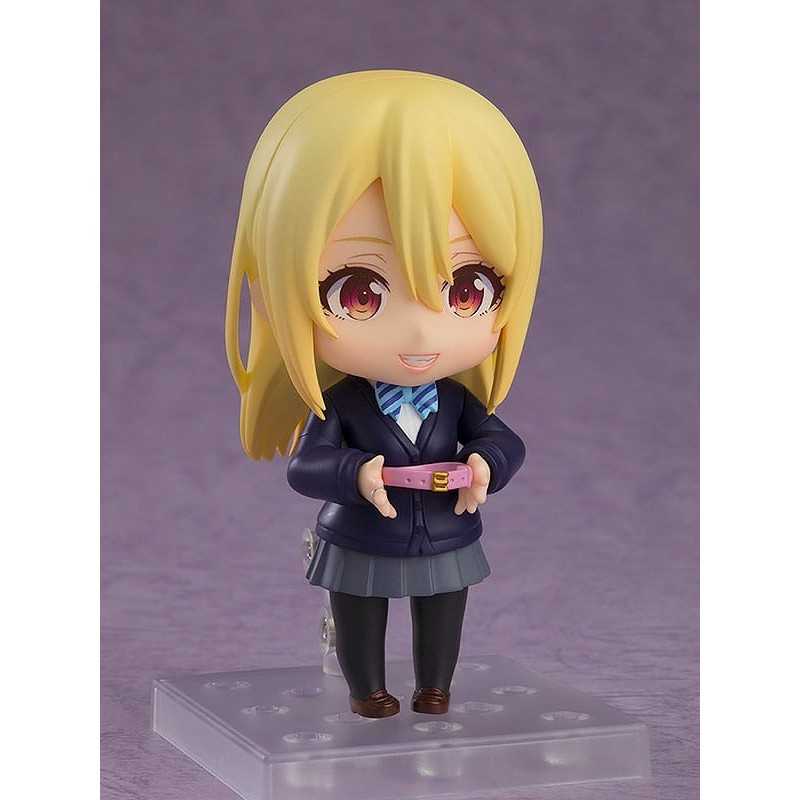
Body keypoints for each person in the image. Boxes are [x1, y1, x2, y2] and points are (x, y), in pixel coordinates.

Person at [225, 70, 543, 718]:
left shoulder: (456, 402)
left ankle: (435, 687)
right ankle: (366, 689)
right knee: (360, 614)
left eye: (469, 290)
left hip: (446, 531)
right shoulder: (343, 405)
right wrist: (356, 472)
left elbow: (503, 441)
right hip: (361, 534)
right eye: (358, 292)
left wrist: (485, 464)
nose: (423, 330)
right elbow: (305, 466)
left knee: (443, 610)